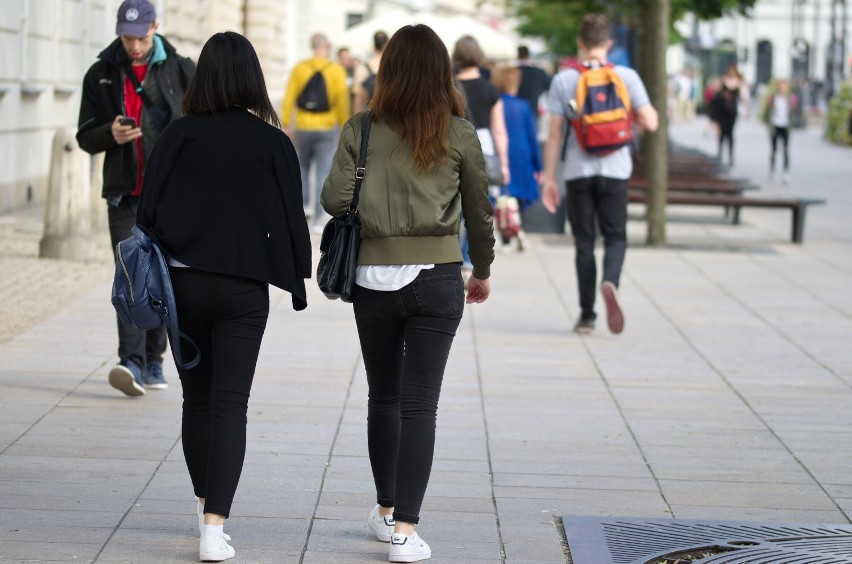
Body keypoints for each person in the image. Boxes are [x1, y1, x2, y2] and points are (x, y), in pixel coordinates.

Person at [321, 24, 494, 563]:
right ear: (442, 72)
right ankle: (405, 533)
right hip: (438, 276)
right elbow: (479, 211)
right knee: (422, 405)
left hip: (372, 279)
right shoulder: (459, 132)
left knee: (384, 396)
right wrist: (482, 268)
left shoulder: (361, 129)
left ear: (387, 70)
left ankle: (386, 508)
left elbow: (332, 200)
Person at [136, 31, 311, 562]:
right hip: (243, 292)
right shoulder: (273, 141)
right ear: (253, 78)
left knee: (198, 400)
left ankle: (203, 504)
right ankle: (215, 527)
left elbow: (147, 214)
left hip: (184, 285)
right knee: (231, 404)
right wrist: (298, 278)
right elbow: (291, 220)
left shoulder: (178, 135)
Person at [76, 0, 194, 397]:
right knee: (129, 278)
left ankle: (156, 360)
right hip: (124, 194)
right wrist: (111, 134)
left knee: (163, 277)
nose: (135, 47)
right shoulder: (101, 74)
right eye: (127, 38)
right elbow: (84, 137)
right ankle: (131, 362)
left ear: (155, 27)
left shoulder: (181, 69)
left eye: (141, 37)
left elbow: (198, 129)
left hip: (171, 196)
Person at [540, 13, 658, 336]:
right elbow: (651, 122)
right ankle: (611, 280)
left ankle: (587, 316)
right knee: (616, 236)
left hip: (578, 171)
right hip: (616, 170)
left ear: (580, 43)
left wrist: (549, 177)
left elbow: (553, 134)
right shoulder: (627, 76)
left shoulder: (565, 79)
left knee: (583, 242)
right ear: (608, 43)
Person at [452, 35, 509, 282]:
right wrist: (504, 163)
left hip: (453, 146)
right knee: (477, 207)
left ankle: (451, 258)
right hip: (482, 147)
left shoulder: (448, 87)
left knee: (452, 205)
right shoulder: (490, 89)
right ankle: (468, 261)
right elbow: (499, 130)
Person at [281, 33, 350, 232]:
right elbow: (342, 102)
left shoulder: (300, 68)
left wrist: (286, 123)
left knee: (302, 166)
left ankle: (303, 207)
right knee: (323, 170)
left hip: (303, 125)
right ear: (326, 47)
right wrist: (344, 127)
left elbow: (289, 96)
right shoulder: (336, 71)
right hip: (326, 127)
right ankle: (319, 218)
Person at [491, 64, 542, 251]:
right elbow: (532, 136)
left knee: (503, 196)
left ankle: (508, 234)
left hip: (500, 154)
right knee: (520, 197)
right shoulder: (523, 106)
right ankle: (517, 229)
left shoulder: (495, 103)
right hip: (522, 155)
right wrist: (539, 166)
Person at [711, 63, 749, 166]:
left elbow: (743, 97)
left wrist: (745, 109)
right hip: (722, 111)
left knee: (730, 134)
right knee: (722, 133)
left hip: (732, 111)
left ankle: (730, 156)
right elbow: (715, 94)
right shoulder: (723, 81)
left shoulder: (738, 83)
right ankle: (720, 153)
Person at [762, 78, 797, 183]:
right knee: (774, 149)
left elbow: (794, 113)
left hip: (785, 126)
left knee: (785, 150)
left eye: (785, 86)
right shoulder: (773, 98)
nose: (783, 88)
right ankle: (772, 170)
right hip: (775, 125)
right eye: (781, 86)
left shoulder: (791, 99)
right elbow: (767, 112)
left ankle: (786, 172)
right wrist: (768, 123)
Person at [351, 31, 388, 113]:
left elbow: (358, 101)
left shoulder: (363, 68)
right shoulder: (397, 67)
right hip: (392, 119)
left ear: (373, 46)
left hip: (370, 118)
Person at [516, 45, 551, 124]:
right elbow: (548, 86)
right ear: (528, 55)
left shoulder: (513, 72)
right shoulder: (538, 72)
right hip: (533, 108)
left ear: (518, 55)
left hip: (515, 110)